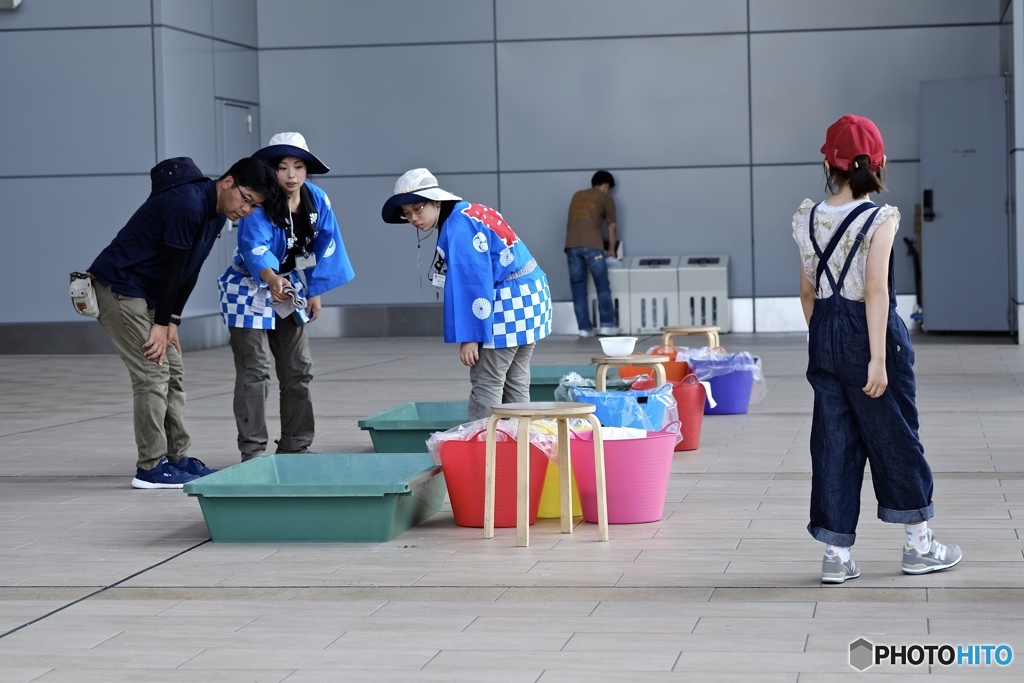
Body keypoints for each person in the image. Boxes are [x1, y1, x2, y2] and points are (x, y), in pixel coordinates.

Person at [793, 115, 962, 583]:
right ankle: (918, 547)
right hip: (871, 335)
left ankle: (836, 557)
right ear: (878, 163)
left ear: (829, 162)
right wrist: (876, 358)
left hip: (824, 331)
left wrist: (823, 339)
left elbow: (806, 294)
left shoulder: (808, 217)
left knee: (832, 444)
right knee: (895, 437)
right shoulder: (879, 218)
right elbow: (877, 292)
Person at [89, 156, 280, 488]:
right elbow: (172, 270)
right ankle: (150, 467)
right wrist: (160, 325)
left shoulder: (216, 215)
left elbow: (191, 269)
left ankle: (176, 459)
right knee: (152, 371)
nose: (246, 210)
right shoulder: (187, 205)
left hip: (148, 295)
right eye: (246, 199)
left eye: (254, 206)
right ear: (228, 182)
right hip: (119, 287)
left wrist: (172, 319)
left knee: (173, 369)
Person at [217, 133, 355, 461]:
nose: (291, 175)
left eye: (298, 166)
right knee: (255, 369)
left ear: (307, 170)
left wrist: (315, 290)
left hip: (288, 285)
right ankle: (252, 452)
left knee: (298, 368)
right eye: (282, 167)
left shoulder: (318, 199)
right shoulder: (261, 202)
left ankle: (296, 445)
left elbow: (325, 243)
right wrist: (270, 276)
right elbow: (254, 246)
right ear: (270, 170)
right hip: (248, 286)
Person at [381, 168, 551, 420]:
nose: (414, 218)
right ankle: (521, 446)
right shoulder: (471, 210)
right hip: (532, 295)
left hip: (506, 300)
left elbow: (472, 282)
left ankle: (485, 447)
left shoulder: (458, 226)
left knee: (488, 381)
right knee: (515, 379)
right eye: (407, 214)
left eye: (418, 208)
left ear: (436, 201)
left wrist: (471, 335)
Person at [565, 170, 618, 337]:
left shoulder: (577, 196)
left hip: (572, 246)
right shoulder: (605, 198)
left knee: (578, 288)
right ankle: (607, 325)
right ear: (606, 186)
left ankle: (584, 329)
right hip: (593, 247)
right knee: (602, 285)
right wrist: (611, 249)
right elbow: (612, 226)